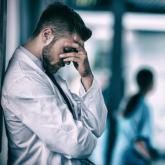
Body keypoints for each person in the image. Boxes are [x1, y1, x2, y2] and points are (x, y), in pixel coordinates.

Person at [1, 2, 107, 165]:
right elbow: (76, 144)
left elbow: (96, 126)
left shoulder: (47, 75)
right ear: (46, 34)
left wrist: (86, 75)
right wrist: (89, 137)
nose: (69, 59)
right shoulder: (24, 80)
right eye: (67, 49)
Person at [111, 68, 157, 165]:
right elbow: (138, 142)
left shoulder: (127, 101)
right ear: (150, 83)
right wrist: (152, 159)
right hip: (133, 159)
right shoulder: (143, 107)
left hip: (119, 156)